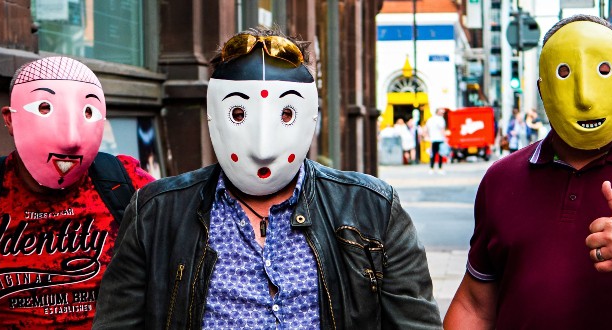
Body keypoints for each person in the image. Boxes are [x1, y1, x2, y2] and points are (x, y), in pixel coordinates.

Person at [92, 27, 441, 329]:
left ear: (311, 117)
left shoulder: (373, 210)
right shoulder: (157, 214)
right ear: (213, 116)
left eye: (286, 113)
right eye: (239, 113)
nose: (262, 148)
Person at [444, 14, 612, 329]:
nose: (585, 97)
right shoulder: (501, 179)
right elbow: (475, 305)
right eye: (564, 74)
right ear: (543, 89)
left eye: (603, 71)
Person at [0, 57, 154, 329]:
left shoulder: (124, 182)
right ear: (10, 120)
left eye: (88, 112)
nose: (70, 139)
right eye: (45, 108)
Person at [426, 107, 447, 174]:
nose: (443, 113)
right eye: (442, 112)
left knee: (433, 154)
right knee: (440, 154)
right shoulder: (441, 119)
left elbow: (426, 129)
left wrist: (428, 137)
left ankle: (431, 169)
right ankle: (440, 169)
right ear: (438, 112)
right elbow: (442, 129)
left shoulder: (430, 119)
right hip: (440, 138)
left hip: (432, 139)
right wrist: (445, 138)